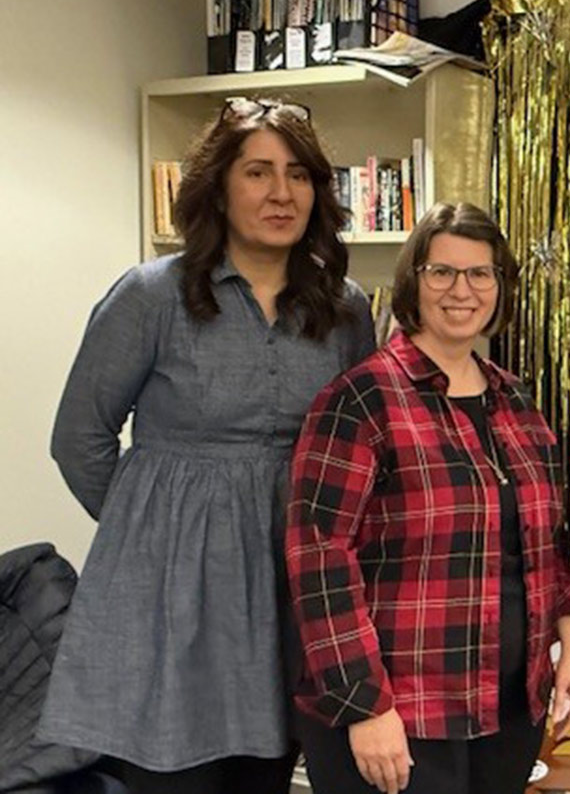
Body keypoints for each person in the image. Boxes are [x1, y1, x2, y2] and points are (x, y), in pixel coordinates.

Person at [39, 98, 376, 794]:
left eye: (299, 175)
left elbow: (356, 447)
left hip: (288, 583)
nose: (281, 193)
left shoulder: (346, 308)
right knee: (171, 772)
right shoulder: (150, 296)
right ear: (218, 189)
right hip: (170, 592)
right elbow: (79, 439)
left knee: (267, 770)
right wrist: (148, 532)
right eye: (258, 172)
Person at [286, 202, 570, 794]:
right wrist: (365, 706)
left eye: (480, 273)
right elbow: (318, 560)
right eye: (441, 272)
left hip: (508, 710)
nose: (462, 290)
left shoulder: (516, 403)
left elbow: (545, 547)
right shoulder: (362, 399)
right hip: (400, 717)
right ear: (413, 281)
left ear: (500, 285)